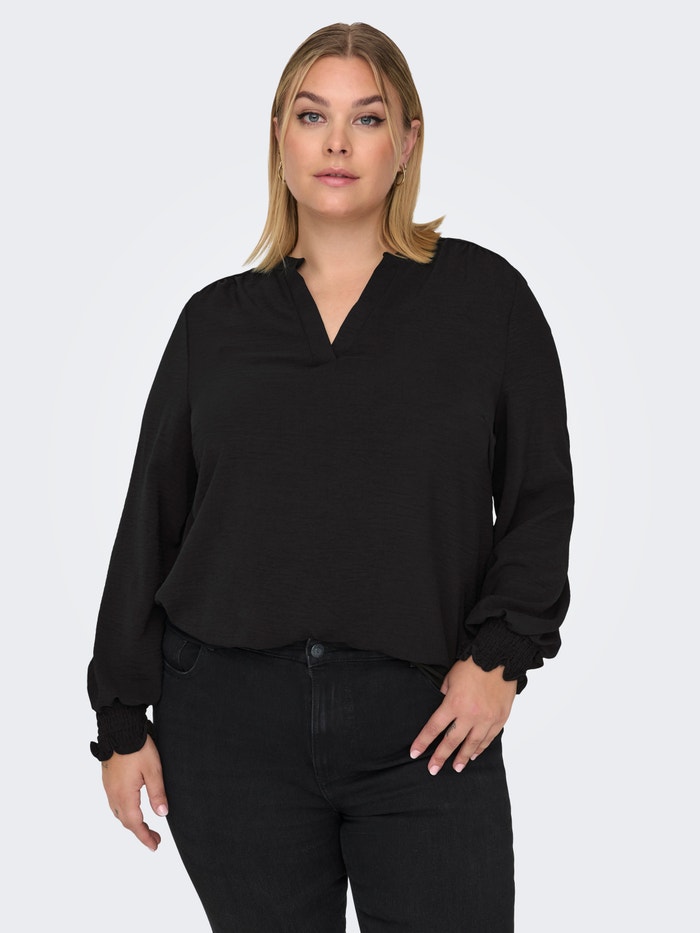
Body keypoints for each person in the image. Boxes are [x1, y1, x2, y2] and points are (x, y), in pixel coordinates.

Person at [88, 21, 574, 933]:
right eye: (313, 116)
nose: (338, 143)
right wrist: (119, 717)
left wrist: (501, 657)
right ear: (280, 136)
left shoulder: (486, 302)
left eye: (368, 117)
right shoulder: (214, 324)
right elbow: (151, 520)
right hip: (228, 726)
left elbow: (540, 498)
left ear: (409, 140)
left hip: (425, 722)